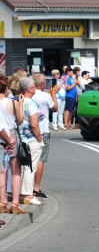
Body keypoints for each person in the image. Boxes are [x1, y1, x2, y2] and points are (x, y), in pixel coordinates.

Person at [17, 77, 45, 207]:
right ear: (29, 88)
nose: (35, 88)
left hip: (21, 138)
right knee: (30, 167)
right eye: (33, 86)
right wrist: (40, 140)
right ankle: (27, 195)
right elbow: (34, 124)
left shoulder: (19, 102)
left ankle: (21, 193)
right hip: (31, 139)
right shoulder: (31, 103)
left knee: (23, 167)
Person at [31, 73, 60, 198]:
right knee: (40, 159)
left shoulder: (28, 95)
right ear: (43, 84)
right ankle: (36, 187)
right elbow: (55, 108)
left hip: (29, 131)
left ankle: (25, 187)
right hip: (42, 130)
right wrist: (53, 93)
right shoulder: (45, 95)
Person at [0, 75, 21, 215]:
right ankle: (15, 203)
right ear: (7, 88)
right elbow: (19, 120)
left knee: (2, 171)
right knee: (16, 171)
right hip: (11, 135)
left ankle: (2, 202)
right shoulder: (13, 102)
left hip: (1, 138)